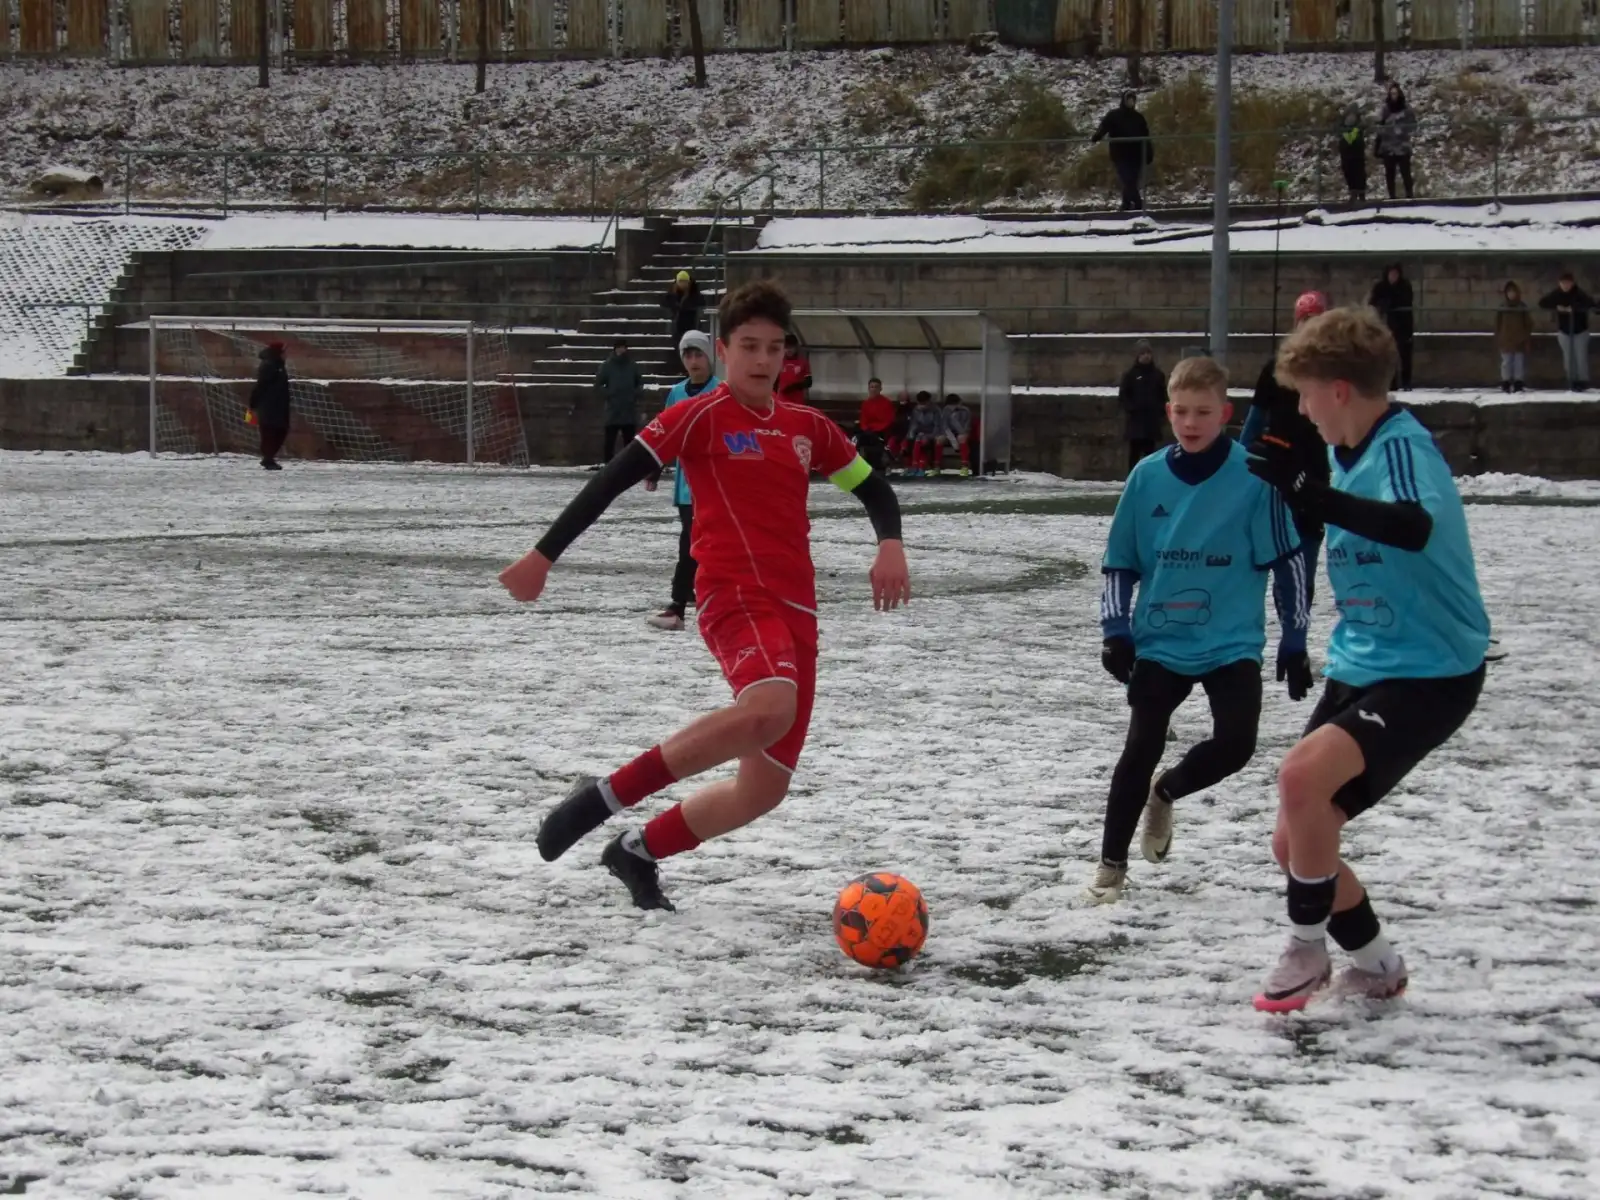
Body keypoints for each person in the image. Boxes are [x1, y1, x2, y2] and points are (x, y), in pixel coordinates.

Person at [499, 280, 911, 912]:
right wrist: (542, 556)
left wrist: (890, 544)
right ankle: (602, 797)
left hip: (799, 612)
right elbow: (612, 479)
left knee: (763, 790)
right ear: (723, 350)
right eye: (749, 346)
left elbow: (873, 489)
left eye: (774, 347)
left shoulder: (808, 427)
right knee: (768, 708)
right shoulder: (698, 415)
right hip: (733, 594)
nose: (762, 359)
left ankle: (637, 850)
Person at [1244, 306, 1489, 1011]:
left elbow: (1411, 526)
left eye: (1305, 395)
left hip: (1432, 672)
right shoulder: (1343, 452)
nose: (1303, 409)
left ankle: (1306, 946)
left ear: (1339, 390)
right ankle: (1379, 965)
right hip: (1361, 664)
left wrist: (1312, 496)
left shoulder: (1402, 446)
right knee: (1296, 842)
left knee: (1301, 777)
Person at [1090, 356, 1309, 904]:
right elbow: (1119, 563)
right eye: (1182, 411)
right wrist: (1115, 629)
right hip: (1161, 641)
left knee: (1237, 744)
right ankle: (1110, 869)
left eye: (1203, 412)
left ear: (1225, 414)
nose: (1191, 422)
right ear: (1168, 411)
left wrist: (1295, 636)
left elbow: (1289, 561)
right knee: (1140, 746)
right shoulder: (1146, 477)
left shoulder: (1254, 476)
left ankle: (1166, 791)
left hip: (1231, 642)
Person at [1241, 291, 1331, 604]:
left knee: (1305, 561)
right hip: (1276, 471)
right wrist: (1237, 463)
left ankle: (1297, 626)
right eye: (1306, 319)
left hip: (1314, 470)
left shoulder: (1333, 371)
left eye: (1317, 319)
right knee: (1273, 555)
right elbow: (1254, 422)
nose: (1311, 327)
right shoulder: (1274, 369)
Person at [645, 329, 720, 632]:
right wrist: (654, 470)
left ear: (709, 357)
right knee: (690, 542)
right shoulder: (676, 393)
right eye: (688, 355)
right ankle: (686, 599)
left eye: (698, 354)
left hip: (715, 485)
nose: (693, 360)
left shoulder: (722, 391)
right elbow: (663, 435)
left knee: (704, 544)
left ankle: (684, 603)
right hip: (687, 487)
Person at [1090, 90, 1154, 213]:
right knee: (1127, 179)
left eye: (1133, 99)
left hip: (1136, 154)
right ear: (1124, 100)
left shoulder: (1138, 118)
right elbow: (1104, 127)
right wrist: (1097, 136)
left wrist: (1149, 152)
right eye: (1128, 99)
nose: (1131, 102)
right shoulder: (1114, 116)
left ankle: (1126, 205)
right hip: (1120, 154)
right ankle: (1138, 203)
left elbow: (1146, 136)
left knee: (1132, 181)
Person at [1538, 271, 1593, 393]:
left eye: (1567, 283)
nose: (1565, 286)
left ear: (1572, 283)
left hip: (1580, 330)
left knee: (1580, 357)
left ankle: (1582, 381)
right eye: (1563, 283)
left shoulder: (1579, 293)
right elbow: (1542, 303)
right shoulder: (1557, 294)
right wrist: (1557, 307)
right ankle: (1571, 381)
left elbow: (1589, 303)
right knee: (1568, 358)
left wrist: (1573, 308)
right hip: (1564, 331)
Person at [1117, 339, 1166, 472]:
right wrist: (1131, 408)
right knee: (1134, 453)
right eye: (1143, 353)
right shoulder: (1130, 375)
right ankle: (1132, 477)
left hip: (1151, 421)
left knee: (1150, 454)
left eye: (1148, 353)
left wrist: (1160, 411)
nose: (1146, 356)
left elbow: (1163, 395)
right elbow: (1123, 396)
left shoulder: (1158, 375)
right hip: (1136, 422)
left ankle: (1149, 478)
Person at [595, 339, 645, 462]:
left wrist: (634, 393)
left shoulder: (632, 365)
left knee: (629, 442)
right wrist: (610, 393)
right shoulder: (607, 365)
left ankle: (628, 465)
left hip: (628, 409)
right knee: (609, 442)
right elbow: (598, 385)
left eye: (623, 347)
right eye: (619, 348)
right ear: (615, 349)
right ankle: (608, 465)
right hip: (613, 409)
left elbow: (640, 383)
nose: (621, 350)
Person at [1368, 265, 1414, 390]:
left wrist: (1390, 303)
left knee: (1404, 355)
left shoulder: (1405, 286)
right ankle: (1392, 383)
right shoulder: (1381, 287)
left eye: (1396, 274)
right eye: (1391, 274)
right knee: (1389, 355)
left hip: (1403, 325)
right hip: (1386, 326)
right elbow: (1373, 301)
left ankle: (1406, 382)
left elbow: (1405, 301)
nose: (1393, 277)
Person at [246, 341, 291, 471]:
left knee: (281, 430)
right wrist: (253, 404)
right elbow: (261, 385)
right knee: (270, 432)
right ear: (279, 352)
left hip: (280, 405)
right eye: (284, 351)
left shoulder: (279, 365)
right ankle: (268, 459)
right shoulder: (269, 365)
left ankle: (268, 458)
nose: (286, 354)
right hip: (269, 406)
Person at [1374, 82, 1416, 201]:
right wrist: (1384, 131)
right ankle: (1392, 197)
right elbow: (1379, 126)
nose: (1394, 96)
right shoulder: (1385, 109)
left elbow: (1413, 125)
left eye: (1396, 93)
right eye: (1392, 94)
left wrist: (1402, 129)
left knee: (1406, 173)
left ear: (1399, 94)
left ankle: (1409, 196)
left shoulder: (1406, 109)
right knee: (1390, 174)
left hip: (1403, 146)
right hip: (1388, 147)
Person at [1494, 281, 1533, 394]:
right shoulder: (1502, 307)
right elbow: (1498, 323)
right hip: (1506, 338)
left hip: (1520, 339)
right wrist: (1499, 336)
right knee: (1506, 362)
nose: (1511, 294)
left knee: (1518, 362)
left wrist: (1525, 337)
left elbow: (1528, 323)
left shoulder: (1522, 307)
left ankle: (1518, 382)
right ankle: (1506, 382)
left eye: (1513, 292)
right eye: (1509, 292)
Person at [854, 377, 896, 473]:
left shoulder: (886, 403)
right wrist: (866, 429)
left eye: (876, 387)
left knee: (874, 440)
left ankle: (877, 466)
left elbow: (888, 420)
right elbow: (863, 420)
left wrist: (875, 429)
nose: (873, 389)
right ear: (868, 388)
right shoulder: (866, 403)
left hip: (881, 431)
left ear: (880, 389)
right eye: (871, 387)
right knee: (858, 438)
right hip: (868, 431)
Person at [904, 391, 943, 478]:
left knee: (922, 442)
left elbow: (937, 426)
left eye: (924, 403)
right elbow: (913, 425)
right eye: (921, 403)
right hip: (920, 434)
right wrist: (910, 436)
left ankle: (920, 467)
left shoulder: (935, 410)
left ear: (929, 401)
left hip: (932, 434)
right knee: (913, 441)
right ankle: (914, 466)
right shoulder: (916, 410)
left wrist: (929, 436)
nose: (923, 405)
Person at [662, 269, 704, 349]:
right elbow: (665, 302)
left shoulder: (694, 292)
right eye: (680, 281)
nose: (682, 284)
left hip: (691, 323)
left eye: (684, 282)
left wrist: (687, 306)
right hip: (677, 325)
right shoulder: (672, 292)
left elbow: (700, 303)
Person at [937, 393, 974, 479]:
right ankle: (937, 466)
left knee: (962, 438)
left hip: (963, 432)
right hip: (949, 433)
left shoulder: (965, 411)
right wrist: (953, 441)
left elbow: (967, 426)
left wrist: (962, 434)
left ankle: (964, 466)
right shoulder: (946, 411)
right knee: (939, 439)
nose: (952, 408)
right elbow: (945, 427)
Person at [1336, 105, 1367, 204]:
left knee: (1359, 172)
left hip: (1357, 151)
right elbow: (1340, 131)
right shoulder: (1342, 124)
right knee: (1348, 172)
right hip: (1346, 152)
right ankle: (1353, 192)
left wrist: (1355, 131)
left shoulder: (1359, 124)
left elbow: (1355, 137)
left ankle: (1361, 193)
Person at [777, 333, 812, 403]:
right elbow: (774, 382)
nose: (789, 350)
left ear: (796, 348)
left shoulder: (803, 362)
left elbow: (809, 382)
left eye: (791, 347)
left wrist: (794, 387)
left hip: (797, 401)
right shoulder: (779, 362)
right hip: (781, 401)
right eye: (786, 347)